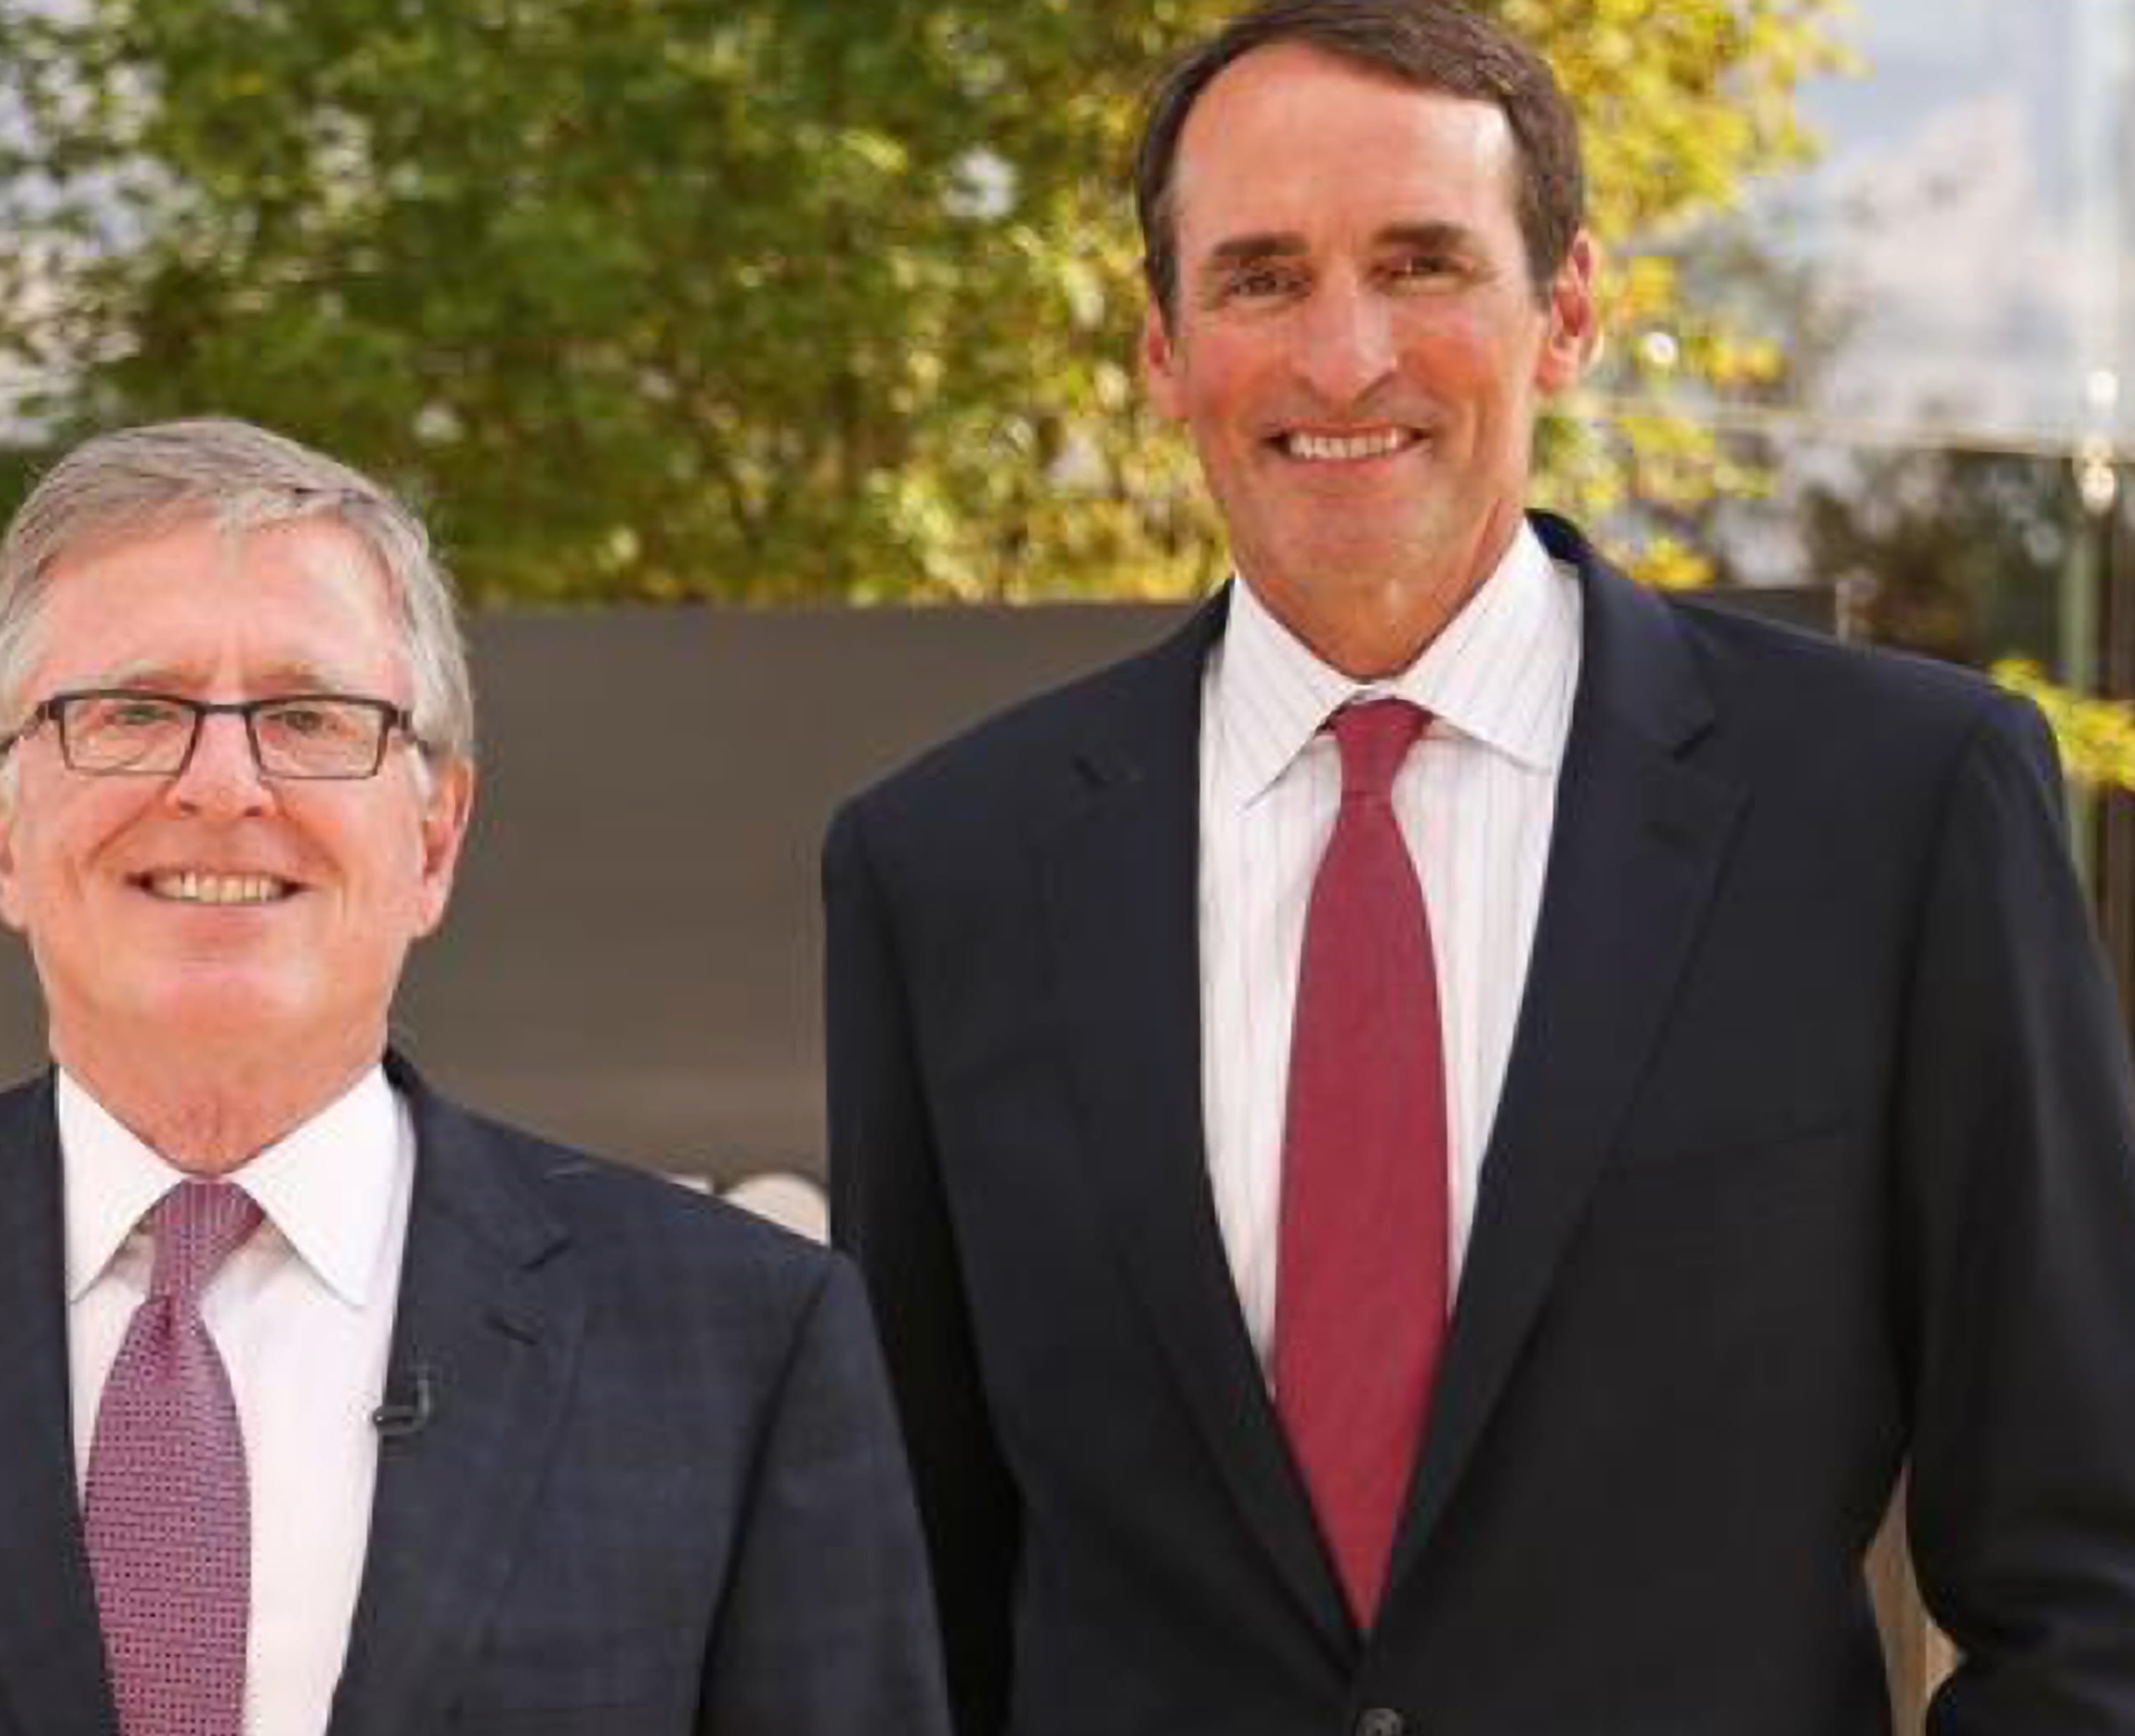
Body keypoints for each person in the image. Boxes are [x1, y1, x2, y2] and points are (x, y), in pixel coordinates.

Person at [822, 2, 2135, 1730]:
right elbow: (910, 1591)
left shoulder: (1894, 806)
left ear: (1567, 310)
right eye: (1261, 277)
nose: (1343, 356)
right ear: (1161, 348)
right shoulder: (942, 867)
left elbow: (2089, 1568)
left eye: (1422, 262)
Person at [0, 418, 946, 1735]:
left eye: (309, 715)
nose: (221, 784)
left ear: (438, 837)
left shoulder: (740, 1345)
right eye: (129, 712)